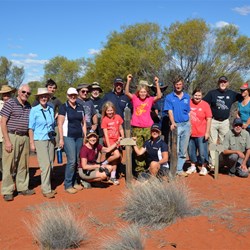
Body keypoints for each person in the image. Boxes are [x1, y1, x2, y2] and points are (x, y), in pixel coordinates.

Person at [0, 84, 35, 201]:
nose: (26, 94)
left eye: (28, 93)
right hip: (12, 135)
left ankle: (22, 187)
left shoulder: (29, 106)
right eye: (24, 92)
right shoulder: (10, 103)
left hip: (24, 136)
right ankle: (7, 190)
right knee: (9, 164)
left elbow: (30, 125)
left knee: (23, 164)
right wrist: (7, 141)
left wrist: (30, 141)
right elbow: (3, 122)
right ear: (19, 92)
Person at [125, 74, 161, 175]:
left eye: (144, 92)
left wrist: (157, 83)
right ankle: (139, 171)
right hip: (137, 128)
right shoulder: (135, 99)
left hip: (148, 127)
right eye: (141, 92)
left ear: (147, 92)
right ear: (138, 92)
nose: (143, 93)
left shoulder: (149, 100)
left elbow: (159, 96)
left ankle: (148, 168)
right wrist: (128, 81)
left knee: (148, 148)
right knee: (138, 149)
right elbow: (126, 92)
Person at [203, 76, 241, 169]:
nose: (223, 84)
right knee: (212, 143)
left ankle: (221, 162)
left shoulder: (231, 94)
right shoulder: (212, 93)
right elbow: (203, 103)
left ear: (227, 83)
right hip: (214, 121)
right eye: (221, 82)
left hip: (225, 122)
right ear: (218, 83)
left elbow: (244, 96)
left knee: (224, 143)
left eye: (224, 82)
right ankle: (213, 164)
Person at [58, 87, 87, 194]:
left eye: (74, 95)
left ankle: (75, 182)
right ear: (67, 96)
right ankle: (68, 184)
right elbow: (60, 124)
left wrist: (85, 136)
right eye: (71, 95)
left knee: (77, 160)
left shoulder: (80, 107)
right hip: (68, 136)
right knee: (72, 161)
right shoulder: (63, 107)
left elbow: (83, 123)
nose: (73, 97)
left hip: (79, 137)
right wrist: (61, 139)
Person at [29, 88, 56, 199]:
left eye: (45, 96)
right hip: (39, 139)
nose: (43, 98)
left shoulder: (51, 108)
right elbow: (31, 128)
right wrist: (32, 142)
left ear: (48, 97)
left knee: (51, 163)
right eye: (41, 96)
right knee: (45, 166)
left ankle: (48, 184)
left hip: (50, 139)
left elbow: (52, 124)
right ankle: (46, 189)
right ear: (38, 98)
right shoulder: (34, 110)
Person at [163, 77, 191, 177]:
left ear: (182, 85)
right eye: (176, 84)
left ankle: (179, 169)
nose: (178, 86)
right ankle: (173, 170)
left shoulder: (187, 97)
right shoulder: (169, 97)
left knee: (183, 150)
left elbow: (188, 111)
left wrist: (189, 124)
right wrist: (173, 123)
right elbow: (169, 111)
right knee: (175, 149)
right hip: (176, 125)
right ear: (174, 85)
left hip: (186, 124)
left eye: (179, 84)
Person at [187, 87, 212, 176]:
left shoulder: (205, 105)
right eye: (196, 95)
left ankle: (204, 167)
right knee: (191, 151)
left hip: (201, 132)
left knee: (202, 152)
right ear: (193, 95)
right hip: (190, 133)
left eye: (199, 95)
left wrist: (207, 132)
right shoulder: (189, 102)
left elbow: (209, 119)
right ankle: (193, 166)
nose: (197, 97)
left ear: (202, 96)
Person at [32, 78, 62, 147]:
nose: (52, 89)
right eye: (50, 87)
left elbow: (62, 110)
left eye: (54, 88)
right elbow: (33, 111)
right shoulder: (38, 100)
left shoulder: (56, 100)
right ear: (46, 88)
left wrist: (56, 115)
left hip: (52, 126)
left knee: (53, 147)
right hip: (41, 128)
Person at [101, 101, 124, 165]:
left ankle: (113, 174)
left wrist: (123, 137)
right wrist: (109, 147)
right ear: (105, 111)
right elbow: (105, 134)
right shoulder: (105, 120)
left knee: (116, 159)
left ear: (114, 110)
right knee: (117, 155)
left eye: (111, 110)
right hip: (110, 140)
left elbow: (121, 129)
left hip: (117, 139)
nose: (110, 112)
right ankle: (104, 163)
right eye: (108, 111)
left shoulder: (118, 117)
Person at [0, 85, 16, 173]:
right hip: (0, 136)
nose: (6, 97)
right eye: (4, 95)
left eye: (8, 94)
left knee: (11, 159)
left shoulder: (14, 104)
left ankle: (11, 175)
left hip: (10, 136)